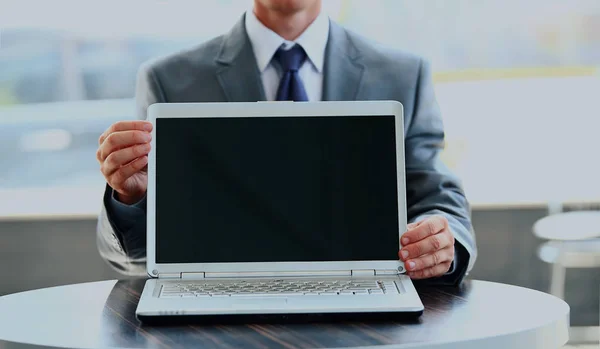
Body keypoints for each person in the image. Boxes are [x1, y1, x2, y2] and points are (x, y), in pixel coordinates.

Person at [96, 0, 476, 285]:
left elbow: (436, 193)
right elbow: (141, 258)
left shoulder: (403, 74)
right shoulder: (169, 81)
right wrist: (130, 199)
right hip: (215, 315)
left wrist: (442, 241)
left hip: (364, 303)